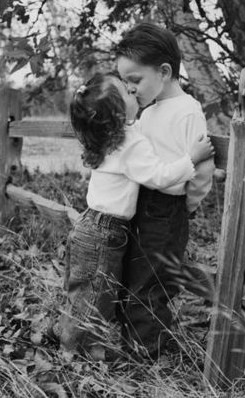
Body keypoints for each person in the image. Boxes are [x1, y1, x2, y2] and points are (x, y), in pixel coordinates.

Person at [56, 71, 214, 361]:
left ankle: (66, 333)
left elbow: (144, 146)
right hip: (106, 232)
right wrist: (192, 158)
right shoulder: (129, 141)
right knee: (96, 297)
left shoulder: (108, 137)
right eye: (127, 93)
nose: (133, 90)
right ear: (117, 113)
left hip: (89, 224)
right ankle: (72, 353)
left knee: (81, 289)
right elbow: (159, 176)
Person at [115, 22, 215, 357]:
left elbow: (202, 169)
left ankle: (147, 352)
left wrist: (188, 205)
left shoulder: (187, 111)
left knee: (153, 281)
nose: (131, 90)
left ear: (164, 71)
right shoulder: (149, 110)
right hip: (143, 205)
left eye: (135, 81)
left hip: (167, 211)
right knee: (139, 272)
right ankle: (144, 338)